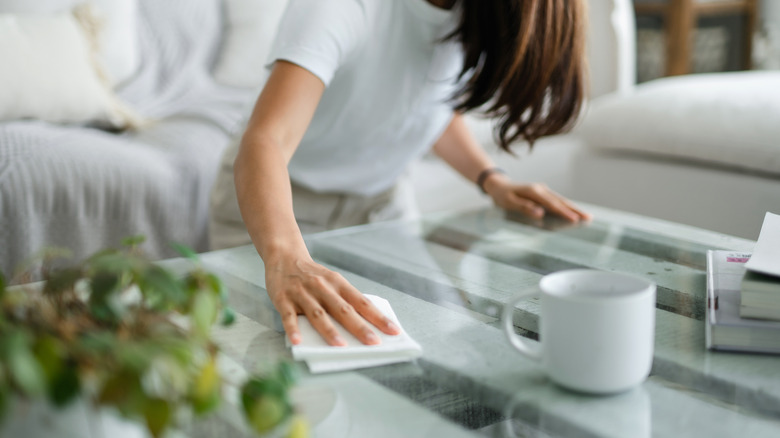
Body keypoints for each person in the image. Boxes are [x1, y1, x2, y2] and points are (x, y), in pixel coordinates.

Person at [209, 0, 591, 348]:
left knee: (422, 339)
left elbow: (428, 105)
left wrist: (491, 179)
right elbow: (266, 141)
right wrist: (285, 258)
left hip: (380, 204)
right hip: (278, 205)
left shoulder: (471, 12)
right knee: (276, 354)